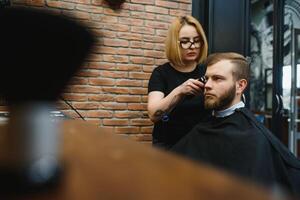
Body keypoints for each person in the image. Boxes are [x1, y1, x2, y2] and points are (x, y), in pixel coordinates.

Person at [171, 52, 300, 197]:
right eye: (207, 79)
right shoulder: (203, 127)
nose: (207, 85)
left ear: (240, 86)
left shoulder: (254, 137)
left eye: (217, 79)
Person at [147, 15, 210, 149]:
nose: (192, 46)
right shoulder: (161, 73)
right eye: (185, 41)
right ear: (174, 43)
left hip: (201, 145)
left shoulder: (208, 71)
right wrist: (180, 91)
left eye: (197, 41)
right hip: (169, 147)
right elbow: (153, 114)